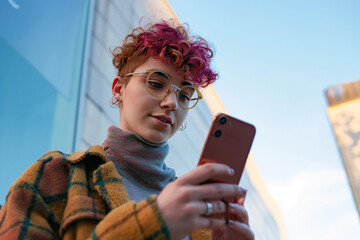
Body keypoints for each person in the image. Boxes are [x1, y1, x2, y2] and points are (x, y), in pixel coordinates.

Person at [0, 20, 254, 240]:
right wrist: (153, 223)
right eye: (156, 83)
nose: (171, 103)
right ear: (118, 89)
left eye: (185, 96)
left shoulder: (196, 209)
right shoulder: (56, 175)